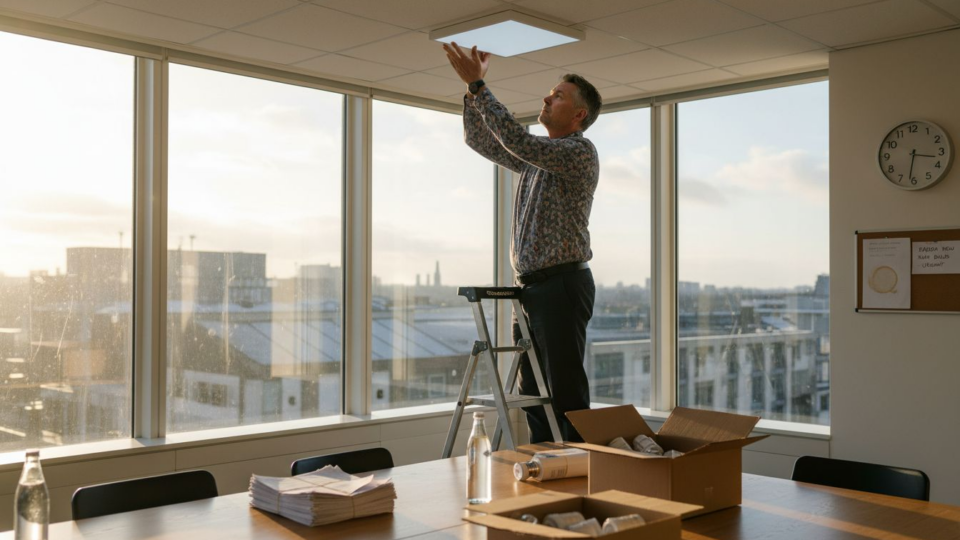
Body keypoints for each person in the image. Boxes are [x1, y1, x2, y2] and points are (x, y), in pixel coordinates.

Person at [443, 42, 602, 443]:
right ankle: (545, 470)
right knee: (532, 394)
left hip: (561, 286)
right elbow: (482, 141)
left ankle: (579, 473)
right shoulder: (539, 158)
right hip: (531, 289)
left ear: (579, 115)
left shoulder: (578, 152)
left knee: (563, 391)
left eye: (559, 95)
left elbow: (518, 139)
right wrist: (470, 93)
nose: (547, 98)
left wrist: (479, 84)